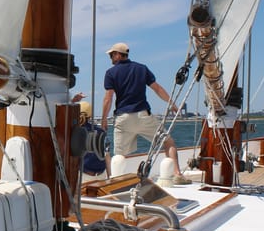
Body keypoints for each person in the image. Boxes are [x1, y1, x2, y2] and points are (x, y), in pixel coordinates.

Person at [100, 42, 186, 183]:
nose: (111, 58)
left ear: (118, 55)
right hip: (143, 116)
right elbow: (157, 89)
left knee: (119, 155)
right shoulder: (141, 68)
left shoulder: (110, 73)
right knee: (168, 141)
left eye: (111, 54)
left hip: (123, 119)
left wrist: (104, 120)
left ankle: (116, 182)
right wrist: (172, 105)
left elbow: (108, 99)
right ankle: (177, 174)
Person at [77, 99, 107, 181]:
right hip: (102, 175)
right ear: (90, 116)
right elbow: (106, 154)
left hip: (84, 177)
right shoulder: (100, 131)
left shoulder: (74, 131)